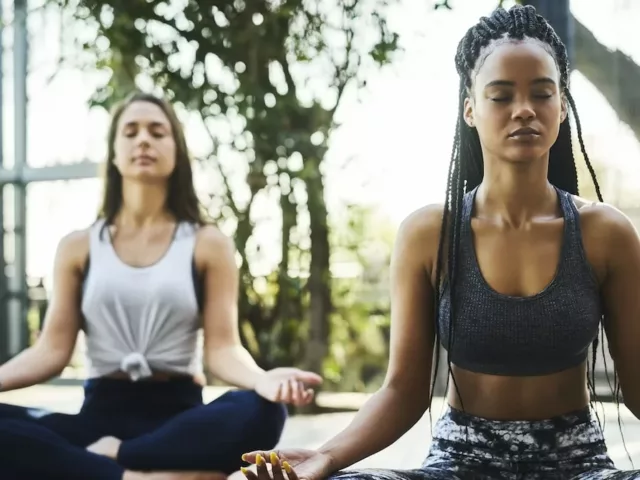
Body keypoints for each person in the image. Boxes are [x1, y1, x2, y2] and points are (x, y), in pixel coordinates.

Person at [241, 5, 640, 480]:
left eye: (542, 92)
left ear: (561, 104)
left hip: (577, 465)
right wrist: (326, 456)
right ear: (469, 108)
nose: (524, 109)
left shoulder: (605, 234)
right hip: (460, 464)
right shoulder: (431, 234)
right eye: (500, 95)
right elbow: (402, 391)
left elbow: (637, 386)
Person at [0, 91, 323, 480]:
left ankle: (112, 460)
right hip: (97, 417)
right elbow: (51, 350)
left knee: (264, 409)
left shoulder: (208, 244)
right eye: (130, 132)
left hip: (178, 422)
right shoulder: (78, 246)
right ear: (115, 152)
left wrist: (263, 380)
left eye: (157, 132)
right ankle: (148, 477)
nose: (143, 141)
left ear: (176, 151)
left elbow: (223, 349)